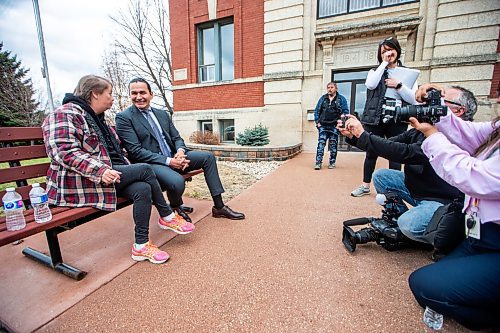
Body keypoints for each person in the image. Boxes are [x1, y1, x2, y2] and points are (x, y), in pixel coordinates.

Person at [42, 75, 195, 265]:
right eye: (109, 93)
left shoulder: (98, 119)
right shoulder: (64, 114)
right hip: (83, 182)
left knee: (142, 189)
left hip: (112, 175)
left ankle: (141, 245)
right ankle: (167, 215)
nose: (113, 98)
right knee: (146, 170)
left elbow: (118, 149)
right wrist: (100, 171)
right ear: (95, 94)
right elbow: (64, 152)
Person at [408, 84, 500, 330]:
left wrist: (432, 135)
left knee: (423, 285)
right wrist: (436, 104)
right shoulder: (497, 128)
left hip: (494, 240)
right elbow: (466, 132)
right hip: (481, 237)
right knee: (438, 275)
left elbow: (474, 176)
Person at [337, 85, 477, 244]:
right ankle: (399, 222)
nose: (430, 104)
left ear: (459, 110)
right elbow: (388, 144)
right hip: (416, 189)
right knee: (382, 177)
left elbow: (405, 153)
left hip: (440, 201)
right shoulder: (424, 129)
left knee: (409, 225)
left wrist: (363, 134)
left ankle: (414, 232)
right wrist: (355, 137)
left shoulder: (458, 137)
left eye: (440, 101)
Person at [115, 78, 245, 222]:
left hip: (174, 156)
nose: (138, 97)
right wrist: (170, 161)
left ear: (151, 94)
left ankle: (219, 207)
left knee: (208, 157)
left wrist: (180, 152)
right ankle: (176, 207)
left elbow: (177, 138)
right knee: (177, 182)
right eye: (134, 93)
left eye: (142, 92)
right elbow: (136, 151)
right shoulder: (124, 118)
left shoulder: (162, 114)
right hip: (152, 163)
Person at [351, 36, 418, 197]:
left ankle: (393, 189)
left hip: (397, 117)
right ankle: (365, 185)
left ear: (397, 50)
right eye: (383, 51)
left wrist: (399, 86)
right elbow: (371, 84)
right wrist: (383, 64)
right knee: (371, 151)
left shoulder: (408, 73)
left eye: (390, 49)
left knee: (396, 152)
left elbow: (414, 98)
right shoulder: (375, 71)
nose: (388, 53)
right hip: (375, 116)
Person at [313, 82, 349, 170]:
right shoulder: (323, 98)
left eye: (331, 87)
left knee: (333, 146)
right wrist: (317, 122)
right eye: (328, 87)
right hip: (323, 126)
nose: (330, 89)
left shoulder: (341, 99)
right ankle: (318, 163)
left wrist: (340, 123)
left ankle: (332, 163)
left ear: (336, 88)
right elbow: (317, 110)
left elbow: (345, 112)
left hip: (334, 126)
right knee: (321, 145)